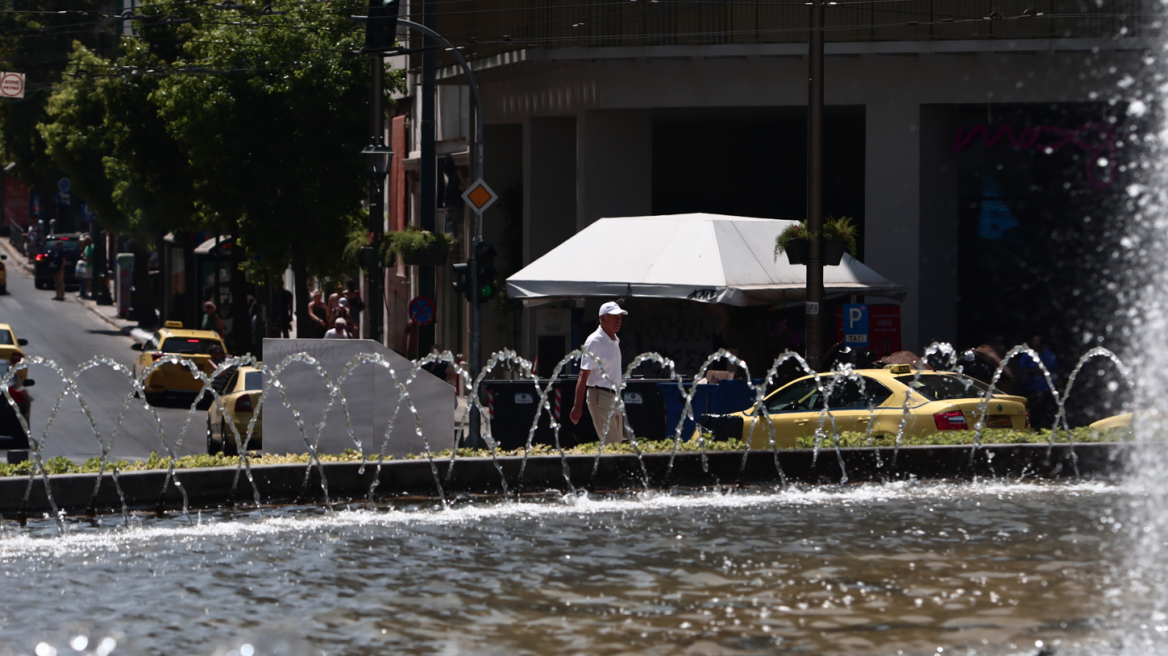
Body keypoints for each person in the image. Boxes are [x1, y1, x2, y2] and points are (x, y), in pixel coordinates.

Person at [569, 301, 628, 444]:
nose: (618, 320)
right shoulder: (594, 341)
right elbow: (583, 375)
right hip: (600, 396)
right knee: (612, 446)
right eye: (614, 316)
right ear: (602, 318)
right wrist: (577, 406)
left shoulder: (614, 339)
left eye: (620, 317)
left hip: (615, 396)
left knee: (618, 444)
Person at [1018, 332, 1059, 429]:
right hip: (1033, 390)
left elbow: (1057, 370)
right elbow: (1020, 372)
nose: (1035, 345)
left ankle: (1048, 431)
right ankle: (1034, 430)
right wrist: (1033, 371)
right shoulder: (1027, 356)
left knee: (1048, 413)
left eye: (1037, 343)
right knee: (1034, 413)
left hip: (1048, 390)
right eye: (1034, 343)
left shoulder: (1050, 354)